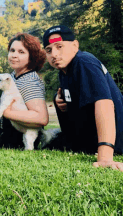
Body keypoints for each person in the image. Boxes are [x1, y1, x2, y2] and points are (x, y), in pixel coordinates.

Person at [42, 25, 123, 171]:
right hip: (87, 143)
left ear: (75, 45)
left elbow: (104, 103)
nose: (53, 54)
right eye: (48, 50)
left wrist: (105, 156)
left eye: (59, 46)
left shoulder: (83, 62)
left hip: (117, 142)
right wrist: (59, 100)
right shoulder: (65, 71)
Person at [0, 32, 49, 149]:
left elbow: (41, 118)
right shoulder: (15, 76)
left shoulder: (30, 80)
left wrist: (6, 113)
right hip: (7, 132)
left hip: (20, 139)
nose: (14, 55)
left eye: (21, 52)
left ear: (32, 56)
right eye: (12, 51)